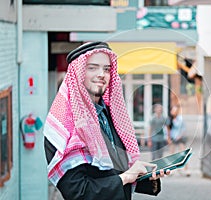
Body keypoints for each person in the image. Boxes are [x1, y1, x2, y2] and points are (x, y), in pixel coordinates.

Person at [43, 41, 169, 200]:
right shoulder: (63, 128)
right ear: (78, 72)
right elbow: (77, 192)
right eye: (92, 68)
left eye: (107, 69)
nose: (101, 74)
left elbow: (115, 173)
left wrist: (148, 176)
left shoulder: (111, 116)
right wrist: (125, 178)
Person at [166, 105, 190, 176]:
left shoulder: (180, 119)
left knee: (183, 153)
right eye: (173, 110)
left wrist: (180, 136)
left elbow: (183, 128)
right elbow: (168, 130)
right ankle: (171, 170)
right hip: (173, 138)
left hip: (180, 138)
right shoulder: (169, 119)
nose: (174, 112)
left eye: (176, 111)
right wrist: (168, 138)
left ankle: (186, 169)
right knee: (171, 154)